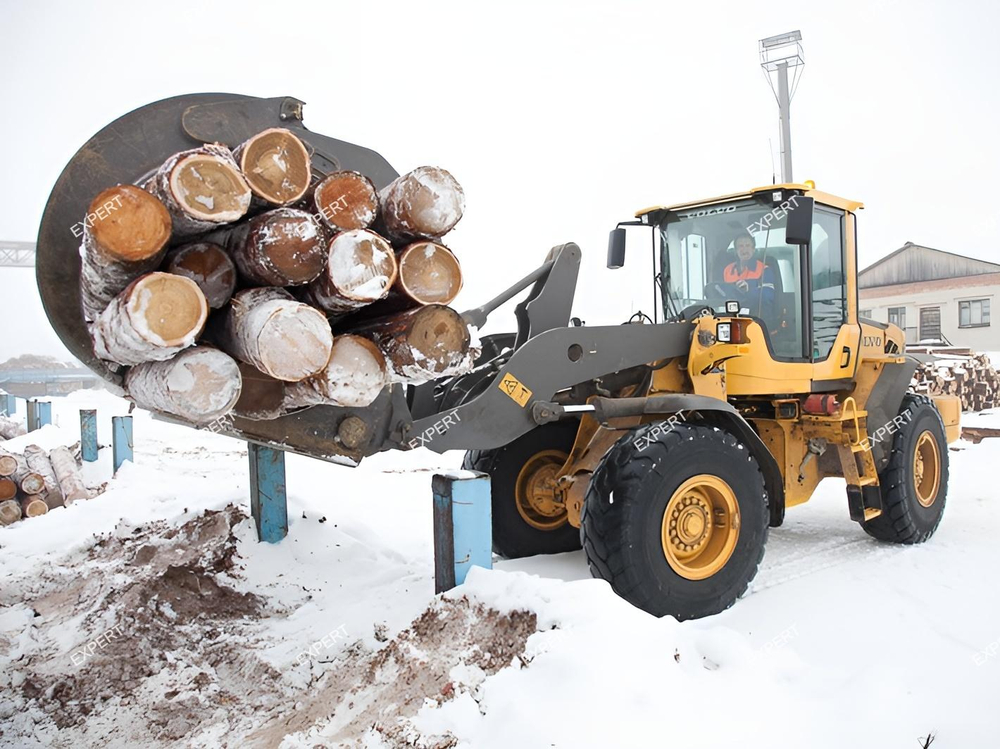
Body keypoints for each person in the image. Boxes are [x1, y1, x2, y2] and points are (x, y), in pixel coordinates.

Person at [721, 233, 776, 321]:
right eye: (740, 246)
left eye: (747, 245)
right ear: (736, 250)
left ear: (753, 249)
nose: (744, 249)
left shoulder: (764, 269)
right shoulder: (728, 270)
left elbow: (768, 295)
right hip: (731, 317)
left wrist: (748, 290)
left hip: (757, 318)